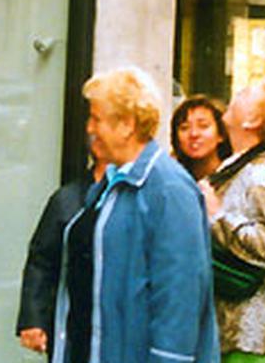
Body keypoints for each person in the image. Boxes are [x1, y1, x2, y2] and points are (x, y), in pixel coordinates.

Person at [51, 67, 219, 363]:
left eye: (96, 118)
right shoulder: (112, 183)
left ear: (127, 124)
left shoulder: (169, 190)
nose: (89, 128)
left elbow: (178, 300)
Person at [198, 75, 265, 363]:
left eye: (246, 92)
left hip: (250, 340)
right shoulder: (238, 165)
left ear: (253, 120)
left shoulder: (261, 172)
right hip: (231, 335)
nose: (237, 92)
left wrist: (217, 216)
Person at [16, 149, 107, 360]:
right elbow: (42, 260)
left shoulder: (139, 196)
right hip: (75, 319)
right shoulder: (67, 199)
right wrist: (33, 318)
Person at [171, 95, 233, 180]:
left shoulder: (235, 177)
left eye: (203, 126)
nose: (193, 134)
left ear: (221, 134)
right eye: (184, 127)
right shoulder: (172, 176)